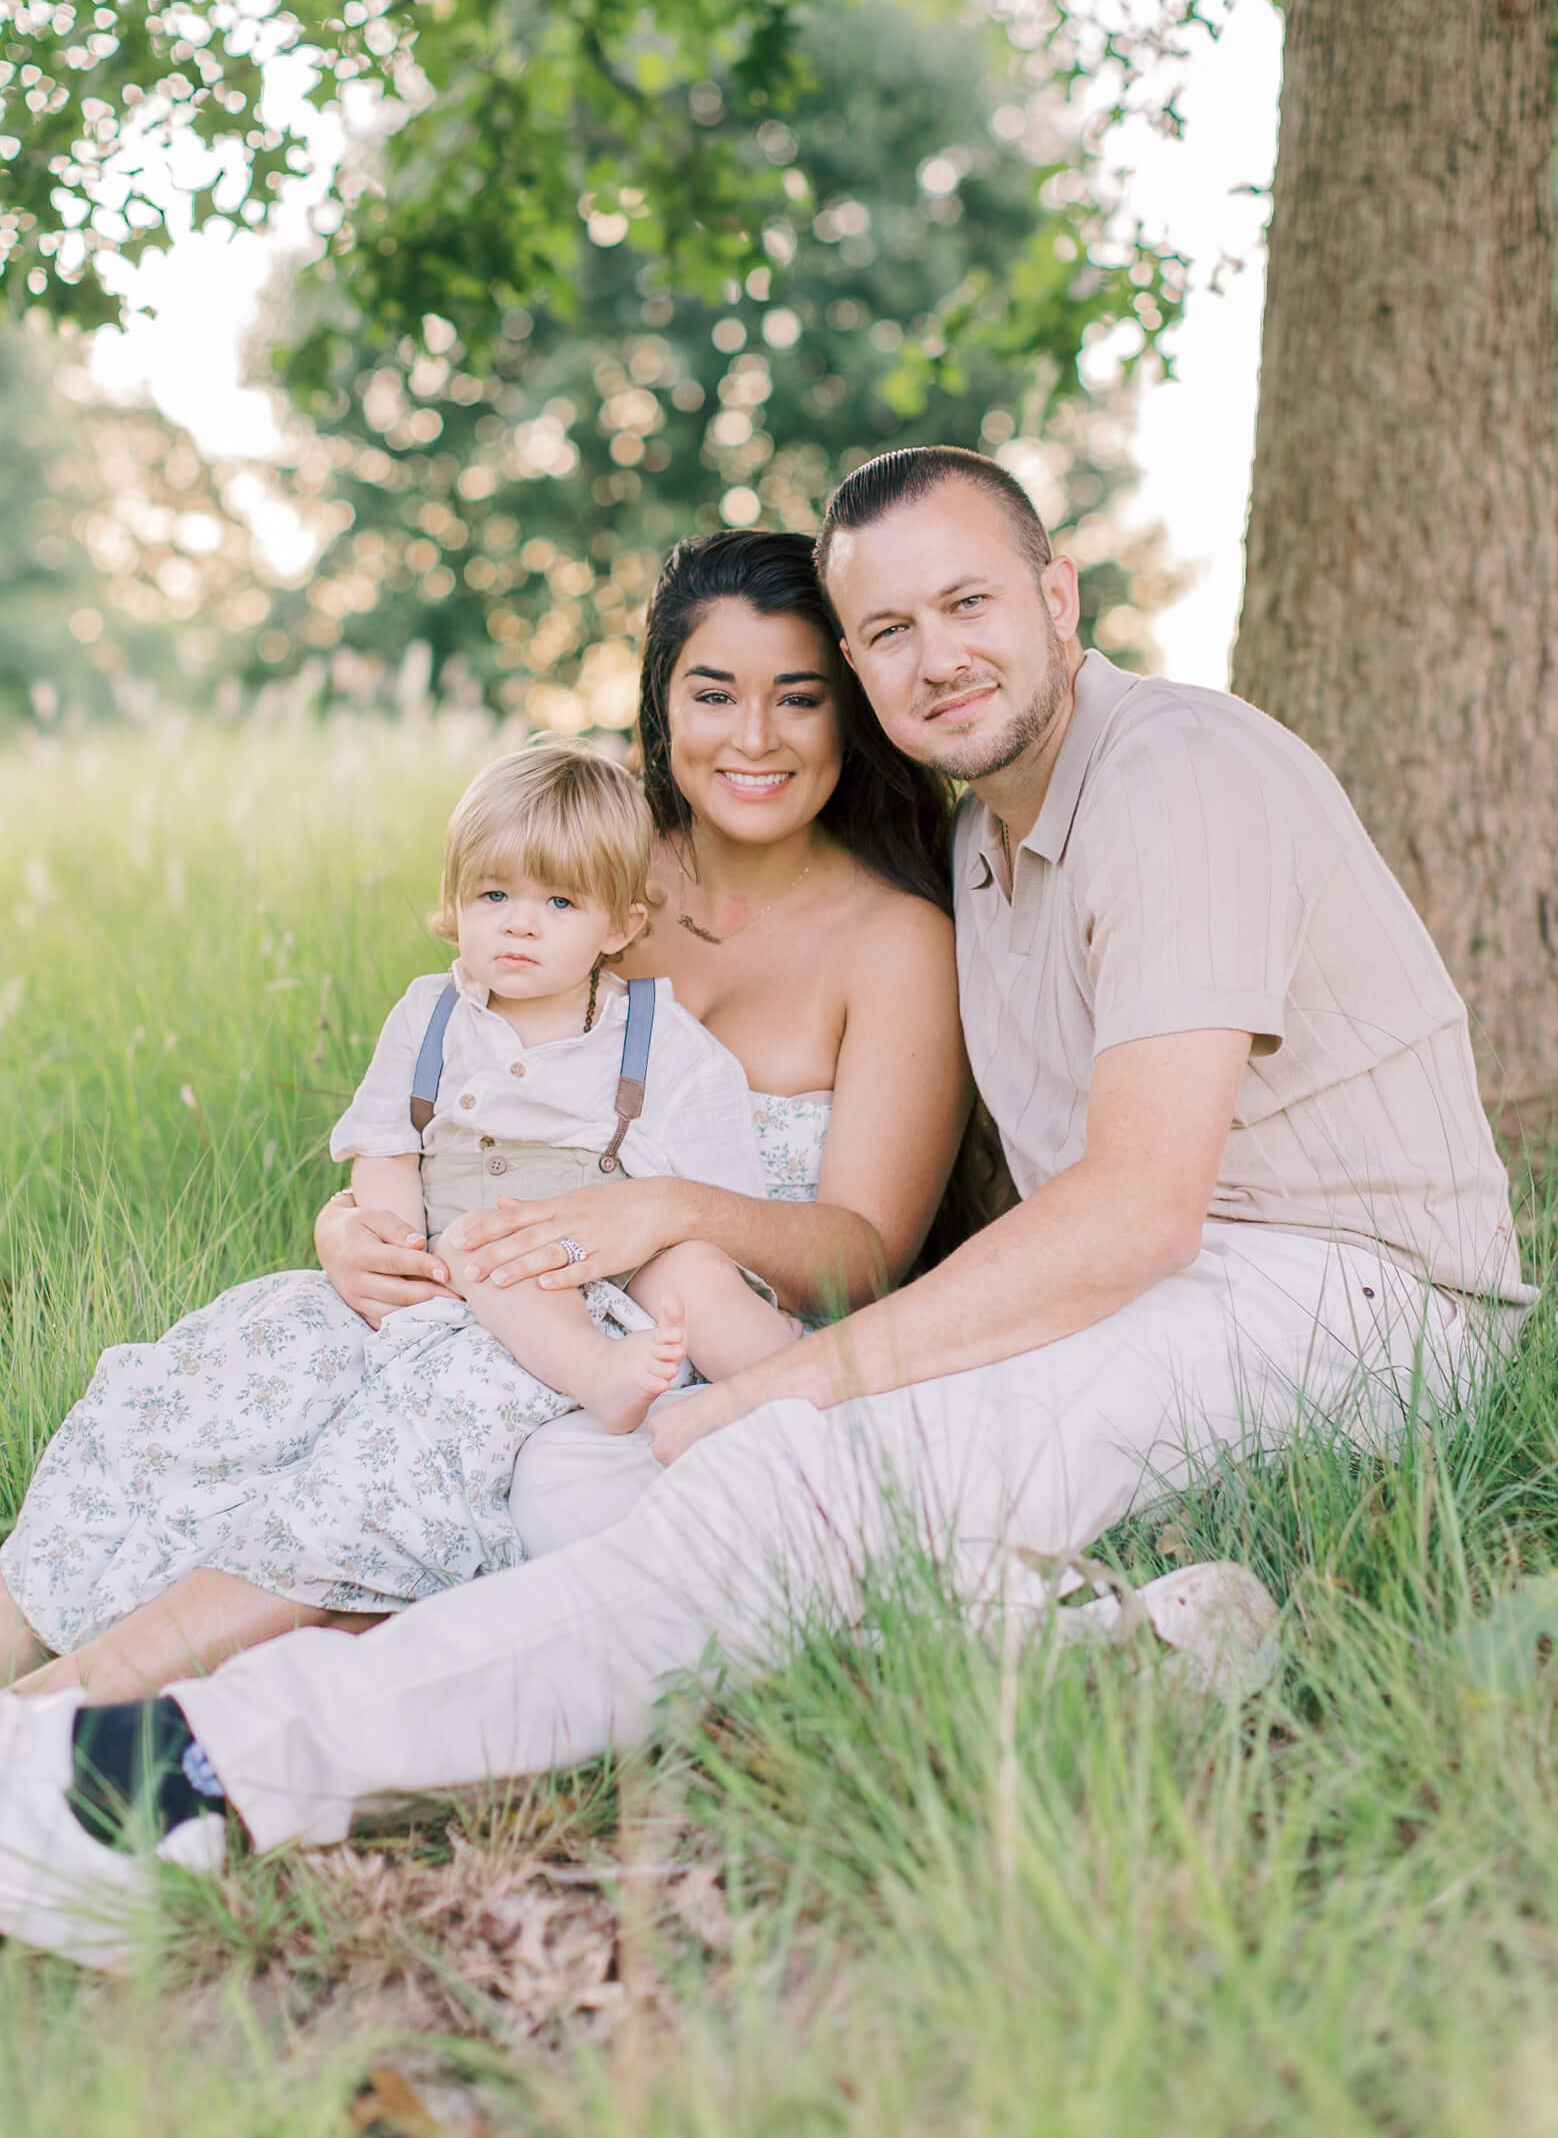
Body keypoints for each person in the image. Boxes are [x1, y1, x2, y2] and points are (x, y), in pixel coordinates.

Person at [0, 449, 1534, 1971]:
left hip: (1339, 1287)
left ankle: (181, 1771)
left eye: (970, 603)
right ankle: (1114, 1642)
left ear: (1057, 593)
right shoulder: (988, 842)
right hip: (1160, 1284)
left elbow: (1135, 1208)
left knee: (779, 1477)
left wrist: (786, 1380)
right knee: (581, 1483)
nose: (935, 657)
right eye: (887, 632)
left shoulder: (1175, 775)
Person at [0, 529, 969, 1711]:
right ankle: (27, 1636)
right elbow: (429, 1106)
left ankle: (69, 1707)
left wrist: (653, 1213)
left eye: (799, 699)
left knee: (412, 1437)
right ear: (662, 709)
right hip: (464, 1277)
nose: (754, 736)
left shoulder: (893, 941)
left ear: (849, 715)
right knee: (204, 1378)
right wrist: (353, 1229)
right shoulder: (572, 872)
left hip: (639, 1334)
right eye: (713, 693)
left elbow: (865, 1256)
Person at [2, 740, 825, 1705]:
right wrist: (380, 1241)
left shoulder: (655, 1036)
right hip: (429, 1283)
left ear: (620, 923)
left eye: (559, 903)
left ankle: (82, 1691)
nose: (522, 926)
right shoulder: (431, 1014)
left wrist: (621, 1254)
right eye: (494, 897)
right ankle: (41, 1603)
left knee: (451, 1367)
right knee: (224, 1358)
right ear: (452, 905)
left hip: (571, 1291)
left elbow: (714, 1207)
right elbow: (388, 1145)